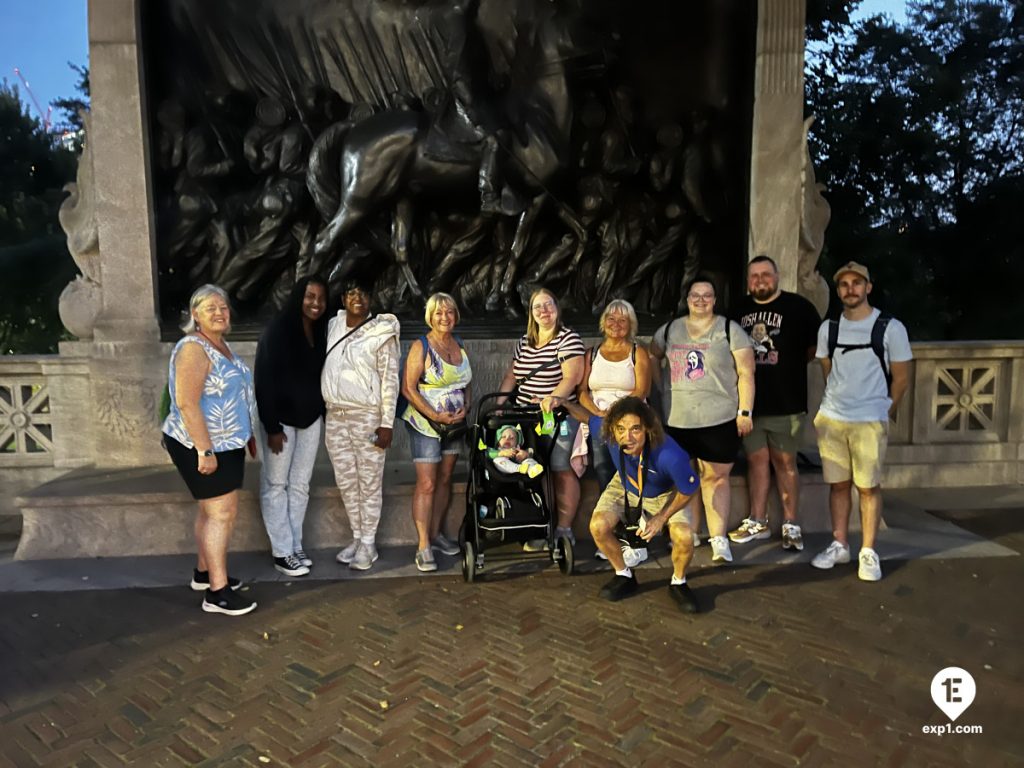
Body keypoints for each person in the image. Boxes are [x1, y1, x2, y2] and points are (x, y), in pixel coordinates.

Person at [810, 262, 912, 581]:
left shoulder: (891, 328)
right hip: (833, 418)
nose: (850, 289)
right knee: (838, 485)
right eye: (844, 284)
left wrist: (883, 410)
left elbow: (902, 378)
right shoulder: (829, 328)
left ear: (868, 287)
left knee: (868, 487)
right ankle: (840, 543)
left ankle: (868, 550)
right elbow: (828, 369)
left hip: (869, 420)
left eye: (857, 283)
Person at [162, 284, 258, 616]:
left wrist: (247, 432)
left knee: (209, 511)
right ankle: (217, 592)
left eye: (223, 307)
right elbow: (187, 403)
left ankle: (204, 574)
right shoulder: (193, 348)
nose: (219, 313)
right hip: (201, 443)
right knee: (222, 514)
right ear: (195, 315)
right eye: (210, 308)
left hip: (227, 442)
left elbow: (234, 395)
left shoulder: (220, 346)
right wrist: (204, 451)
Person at [650, 276, 755, 565]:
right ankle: (690, 532)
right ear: (687, 300)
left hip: (718, 419)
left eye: (707, 295)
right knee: (685, 478)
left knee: (715, 479)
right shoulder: (669, 330)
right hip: (678, 419)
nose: (700, 300)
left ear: (715, 300)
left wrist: (745, 411)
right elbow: (652, 356)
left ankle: (718, 538)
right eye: (695, 295)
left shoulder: (730, 330)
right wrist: (662, 388)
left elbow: (746, 372)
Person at [728, 256, 821, 551]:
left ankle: (791, 523)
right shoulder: (737, 310)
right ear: (748, 281)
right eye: (754, 276)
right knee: (756, 461)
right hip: (750, 405)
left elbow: (813, 350)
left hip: (787, 402)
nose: (760, 280)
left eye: (765, 274)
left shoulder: (799, 308)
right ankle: (758, 521)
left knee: (785, 462)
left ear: (777, 276)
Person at [589, 397, 701, 612]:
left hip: (666, 494)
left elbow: (690, 489)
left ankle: (679, 582)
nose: (627, 437)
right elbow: (587, 417)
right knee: (598, 526)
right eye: (621, 429)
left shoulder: (670, 455)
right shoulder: (607, 432)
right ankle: (624, 575)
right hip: (625, 484)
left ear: (648, 429)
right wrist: (561, 402)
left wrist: (661, 517)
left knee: (684, 536)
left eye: (635, 429)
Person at [321, 276, 401, 572]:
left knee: (369, 482)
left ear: (371, 300)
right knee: (346, 482)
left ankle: (369, 543)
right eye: (352, 293)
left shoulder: (382, 331)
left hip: (367, 417)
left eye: (364, 294)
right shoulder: (333, 325)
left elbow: (390, 380)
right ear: (343, 299)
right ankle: (357, 537)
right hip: (335, 416)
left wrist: (387, 423)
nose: (358, 298)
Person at [497, 288, 585, 550]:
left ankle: (563, 528)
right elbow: (512, 375)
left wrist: (554, 398)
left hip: (557, 417)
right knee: (534, 471)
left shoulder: (568, 338)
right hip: (525, 418)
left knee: (560, 469)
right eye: (538, 306)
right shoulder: (524, 341)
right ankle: (542, 524)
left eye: (548, 305)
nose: (544, 311)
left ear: (557, 308)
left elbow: (572, 377)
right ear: (531, 313)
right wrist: (498, 404)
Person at [254, 276, 329, 577]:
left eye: (321, 298)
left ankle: (295, 545)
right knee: (276, 486)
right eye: (310, 296)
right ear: (299, 296)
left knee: (300, 486)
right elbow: (263, 379)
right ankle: (282, 552)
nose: (315, 303)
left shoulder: (321, 330)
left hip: (309, 420)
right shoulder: (277, 330)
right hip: (281, 423)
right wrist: (272, 426)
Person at [401, 292, 473, 573]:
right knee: (427, 483)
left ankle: (436, 533)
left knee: (444, 479)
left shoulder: (460, 344)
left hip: (454, 426)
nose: (445, 317)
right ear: (430, 317)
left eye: (450, 312)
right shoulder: (421, 346)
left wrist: (467, 405)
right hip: (426, 425)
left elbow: (466, 381)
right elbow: (408, 388)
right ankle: (423, 545)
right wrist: (434, 415)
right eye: (439, 313)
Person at [577, 299, 651, 488]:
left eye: (622, 320)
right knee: (603, 470)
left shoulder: (638, 352)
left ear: (631, 325)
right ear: (604, 322)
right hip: (600, 421)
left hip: (630, 420)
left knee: (632, 472)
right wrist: (597, 412)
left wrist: (616, 411)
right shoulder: (591, 354)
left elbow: (642, 390)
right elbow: (582, 391)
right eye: (611, 318)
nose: (616, 324)